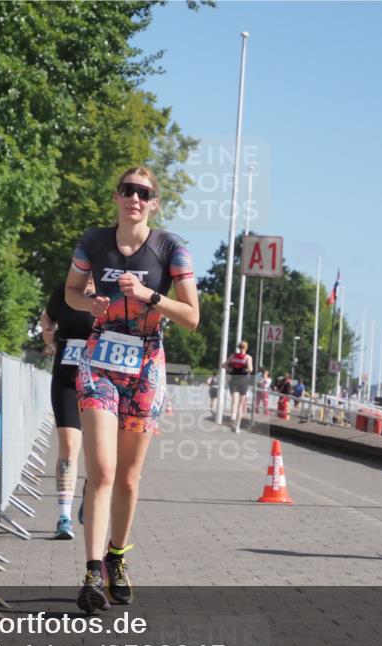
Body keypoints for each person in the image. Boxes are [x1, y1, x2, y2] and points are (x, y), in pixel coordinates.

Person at [64, 166, 199, 612]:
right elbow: (70, 293)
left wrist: (148, 295)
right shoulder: (94, 242)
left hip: (146, 365)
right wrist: (91, 301)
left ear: (154, 202)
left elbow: (192, 316)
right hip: (100, 360)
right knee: (101, 470)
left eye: (144, 193)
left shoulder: (170, 248)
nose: (134, 199)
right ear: (116, 196)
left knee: (128, 476)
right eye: (127, 191)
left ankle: (116, 556)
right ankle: (91, 572)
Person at [40, 278, 96, 540]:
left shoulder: (111, 293)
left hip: (100, 383)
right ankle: (64, 516)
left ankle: (92, 489)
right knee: (69, 447)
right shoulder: (63, 291)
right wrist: (48, 338)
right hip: (66, 378)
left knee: (97, 452)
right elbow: (47, 318)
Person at [222, 341, 253, 433]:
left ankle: (232, 418)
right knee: (240, 404)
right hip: (243, 380)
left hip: (234, 379)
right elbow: (250, 369)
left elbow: (223, 365)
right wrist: (245, 368)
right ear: (246, 348)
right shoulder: (248, 357)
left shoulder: (233, 356)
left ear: (239, 347)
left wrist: (232, 370)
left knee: (234, 401)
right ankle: (237, 425)